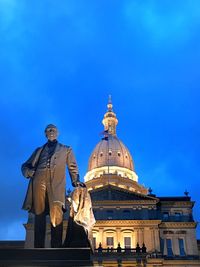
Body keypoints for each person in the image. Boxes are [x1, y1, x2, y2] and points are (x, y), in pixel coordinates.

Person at [21, 124, 83, 248]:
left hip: (57, 185)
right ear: (45, 133)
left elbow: (73, 167)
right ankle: (38, 248)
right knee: (39, 215)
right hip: (39, 183)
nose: (51, 132)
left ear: (58, 133)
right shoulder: (39, 150)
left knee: (57, 216)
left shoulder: (66, 149)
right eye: (49, 130)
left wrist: (75, 181)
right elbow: (25, 166)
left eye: (53, 130)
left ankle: (56, 248)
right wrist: (29, 172)